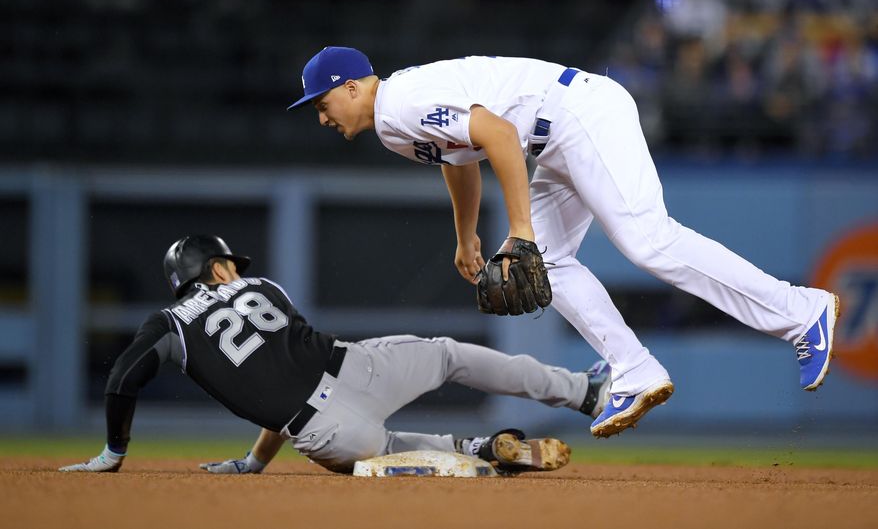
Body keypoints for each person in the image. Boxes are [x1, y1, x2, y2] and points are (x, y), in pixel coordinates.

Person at [286, 46, 841, 438]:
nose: (321, 117)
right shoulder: (390, 123)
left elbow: (498, 135)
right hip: (554, 137)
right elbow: (463, 156)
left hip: (579, 114)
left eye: (321, 103)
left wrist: (520, 230)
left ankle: (801, 311)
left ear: (350, 87)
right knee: (546, 260)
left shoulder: (399, 104)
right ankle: (635, 369)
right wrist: (466, 235)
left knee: (648, 240)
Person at [59, 235, 610, 475]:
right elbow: (286, 363)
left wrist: (113, 451)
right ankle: (583, 392)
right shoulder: (264, 289)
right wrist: (256, 458)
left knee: (385, 451)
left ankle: (478, 451)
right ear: (221, 267)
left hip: (325, 432)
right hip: (356, 368)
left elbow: (123, 379)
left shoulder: (171, 323)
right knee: (448, 356)